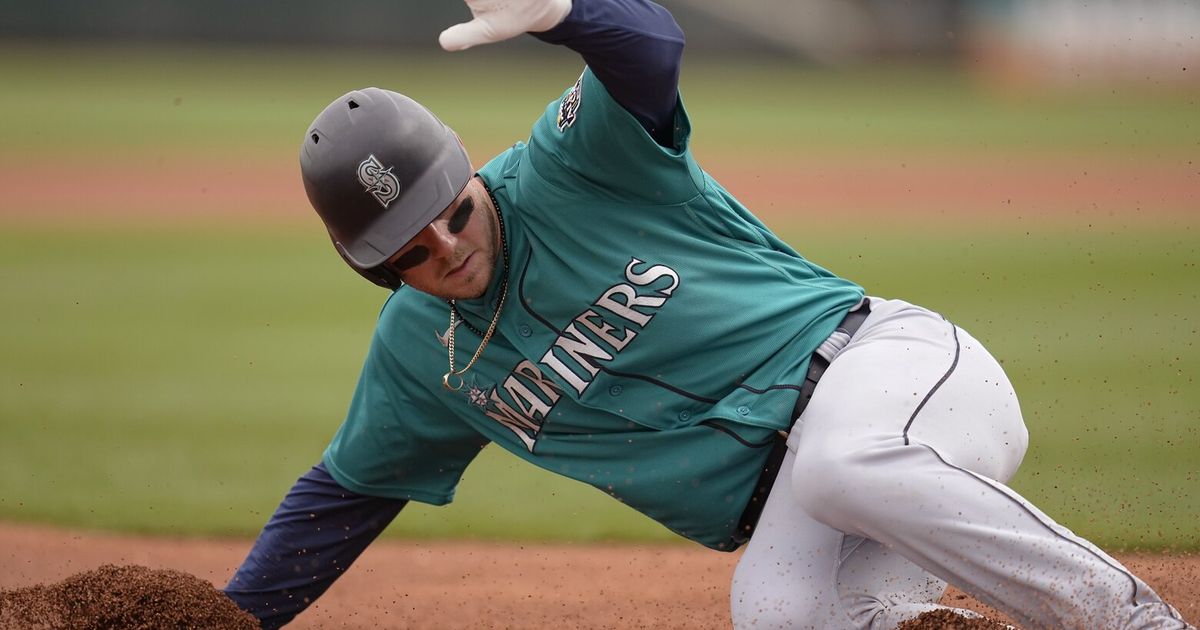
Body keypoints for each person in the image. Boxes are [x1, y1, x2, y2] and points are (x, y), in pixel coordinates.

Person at [224, 1, 1195, 628]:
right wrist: (228, 621)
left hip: (892, 375)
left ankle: (1132, 621)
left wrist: (571, 11)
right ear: (374, 269)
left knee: (849, 460)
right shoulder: (419, 359)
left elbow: (651, 50)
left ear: (468, 177)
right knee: (777, 616)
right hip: (806, 503)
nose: (445, 249)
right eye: (409, 254)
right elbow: (343, 496)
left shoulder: (572, 163)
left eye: (453, 215)